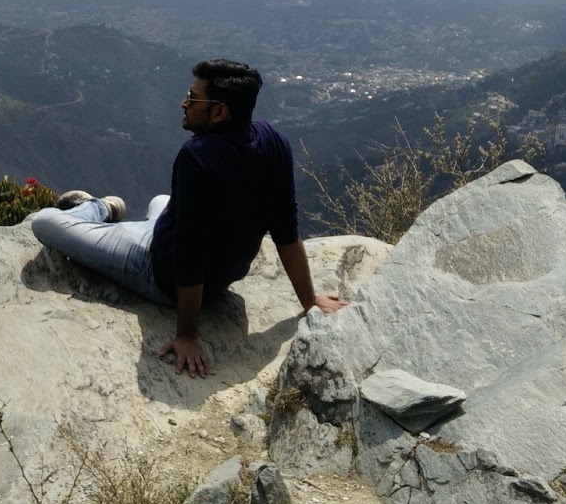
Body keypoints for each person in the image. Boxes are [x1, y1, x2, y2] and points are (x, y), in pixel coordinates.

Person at [31, 58, 347, 376]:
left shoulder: (198, 157)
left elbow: (189, 255)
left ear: (219, 111)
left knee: (44, 222)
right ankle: (115, 215)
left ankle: (97, 208)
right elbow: (286, 230)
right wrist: (309, 302)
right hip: (219, 276)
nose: (184, 104)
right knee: (161, 201)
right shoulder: (274, 141)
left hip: (157, 272)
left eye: (193, 98)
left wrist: (186, 335)